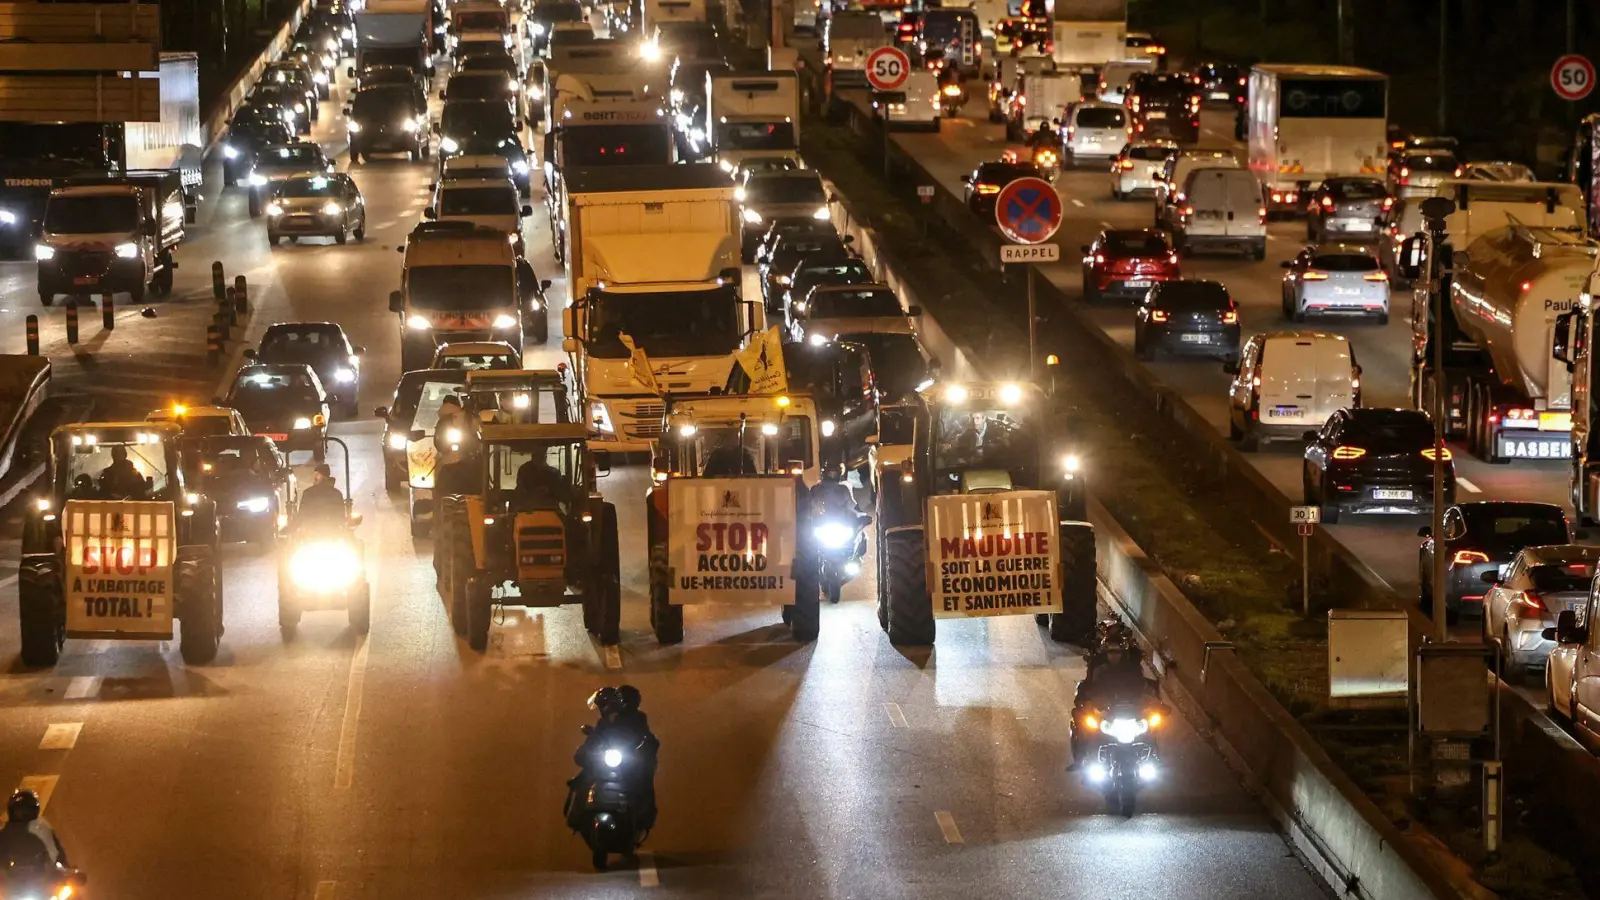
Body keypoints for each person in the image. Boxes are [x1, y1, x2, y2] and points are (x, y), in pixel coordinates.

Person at [1069, 638, 1160, 767]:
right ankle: (1080, 759)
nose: (1114, 655)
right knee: (1083, 722)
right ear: (1106, 653)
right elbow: (1088, 685)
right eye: (1111, 652)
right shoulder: (1098, 668)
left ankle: (1153, 756)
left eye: (1117, 652)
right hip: (1105, 710)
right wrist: (1084, 701)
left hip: (1129, 711)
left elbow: (1142, 685)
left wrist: (1153, 702)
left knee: (1151, 728)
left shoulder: (1131, 668)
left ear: (1122, 653)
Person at [0, 790, 67, 870]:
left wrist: (65, 869)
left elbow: (58, 854)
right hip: (9, 878)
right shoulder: (4, 835)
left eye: (27, 810)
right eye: (19, 810)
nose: (23, 814)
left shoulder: (43, 830)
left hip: (41, 876)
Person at [433, 395, 473, 495]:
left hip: (449, 458)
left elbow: (438, 443)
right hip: (472, 457)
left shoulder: (443, 420)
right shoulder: (467, 416)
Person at [295, 463, 346, 530]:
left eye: (317, 474)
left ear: (323, 476)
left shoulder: (336, 494)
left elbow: (341, 515)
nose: (315, 477)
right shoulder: (308, 493)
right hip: (311, 533)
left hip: (331, 533)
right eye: (315, 474)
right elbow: (302, 514)